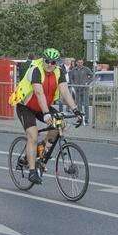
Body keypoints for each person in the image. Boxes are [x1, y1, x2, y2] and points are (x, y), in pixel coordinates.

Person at [11, 48, 79, 180]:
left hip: (43, 107)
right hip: (26, 106)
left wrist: (76, 110)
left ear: (57, 63)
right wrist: (47, 113)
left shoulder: (59, 72)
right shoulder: (36, 70)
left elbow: (65, 92)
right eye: (47, 61)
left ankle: (43, 148)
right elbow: (38, 92)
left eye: (53, 62)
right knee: (33, 135)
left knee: (60, 124)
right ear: (43, 60)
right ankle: (32, 171)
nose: (50, 64)